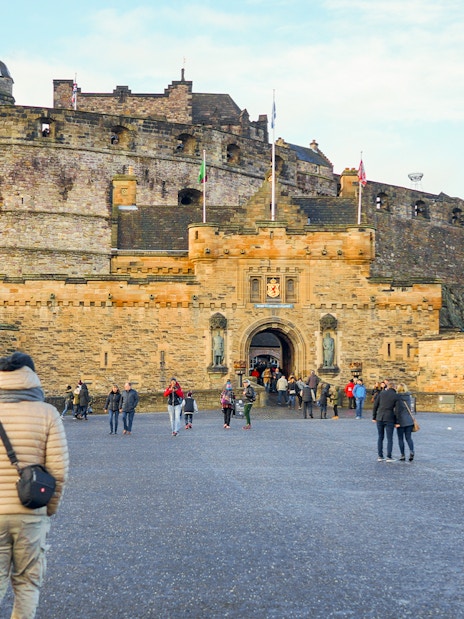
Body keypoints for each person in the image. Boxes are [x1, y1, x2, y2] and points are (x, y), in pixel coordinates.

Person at [0, 351, 69, 619]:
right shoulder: (48, 413)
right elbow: (59, 471)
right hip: (31, 510)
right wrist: (47, 509)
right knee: (27, 583)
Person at [372, 381, 400, 462]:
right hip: (389, 418)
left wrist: (374, 417)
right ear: (395, 387)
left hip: (380, 417)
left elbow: (375, 406)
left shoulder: (381, 394)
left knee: (380, 437)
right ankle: (389, 456)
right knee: (389, 438)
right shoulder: (396, 396)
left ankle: (380, 456)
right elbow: (397, 410)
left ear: (387, 387)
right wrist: (397, 422)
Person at [396, 383, 415, 461]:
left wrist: (396, 421)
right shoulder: (408, 397)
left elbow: (397, 410)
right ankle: (411, 450)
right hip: (409, 420)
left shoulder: (398, 397)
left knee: (400, 439)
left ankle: (402, 455)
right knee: (409, 438)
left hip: (400, 421)